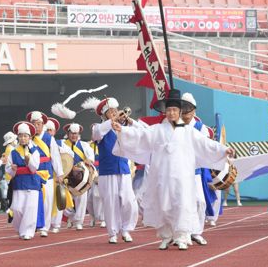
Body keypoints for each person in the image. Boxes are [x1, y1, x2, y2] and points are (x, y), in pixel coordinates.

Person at [112, 89, 235, 250]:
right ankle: (166, 236)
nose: (171, 113)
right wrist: (123, 131)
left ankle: (182, 237)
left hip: (183, 176)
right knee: (164, 204)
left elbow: (205, 144)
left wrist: (222, 150)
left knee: (182, 204)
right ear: (165, 112)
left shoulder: (189, 131)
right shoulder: (156, 130)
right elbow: (140, 137)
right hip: (162, 175)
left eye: (174, 110)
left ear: (179, 112)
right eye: (168, 110)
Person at [91, 97, 140, 244]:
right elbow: (97, 133)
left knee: (129, 201)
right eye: (110, 112)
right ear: (104, 115)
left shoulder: (123, 127)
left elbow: (142, 132)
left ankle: (126, 229)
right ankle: (112, 232)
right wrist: (112, 121)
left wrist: (129, 120)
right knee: (110, 202)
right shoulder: (98, 127)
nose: (114, 114)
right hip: (107, 171)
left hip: (123, 169)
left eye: (115, 111)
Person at [180, 92, 212, 246]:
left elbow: (207, 147)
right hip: (179, 171)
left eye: (188, 109)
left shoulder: (201, 127)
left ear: (194, 111)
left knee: (199, 201)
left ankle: (197, 232)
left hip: (196, 171)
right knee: (181, 202)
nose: (186, 113)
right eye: (183, 109)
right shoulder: (175, 126)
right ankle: (182, 233)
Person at [27, 111, 65, 237]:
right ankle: (32, 225)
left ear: (43, 125)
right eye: (34, 124)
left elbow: (55, 157)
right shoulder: (28, 138)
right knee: (32, 202)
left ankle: (45, 226)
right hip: (31, 174)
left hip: (47, 174)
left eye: (38, 124)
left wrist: (59, 173)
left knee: (47, 201)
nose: (36, 126)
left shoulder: (49, 138)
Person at [6, 121, 41, 240]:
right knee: (17, 208)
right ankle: (20, 228)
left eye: (25, 136)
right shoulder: (13, 152)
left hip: (32, 182)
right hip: (19, 183)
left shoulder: (35, 151)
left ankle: (28, 232)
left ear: (30, 137)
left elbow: (34, 167)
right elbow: (8, 169)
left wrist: (28, 161)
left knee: (30, 208)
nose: (23, 138)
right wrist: (12, 169)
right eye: (20, 136)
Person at [61, 122, 95, 231]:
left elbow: (91, 158)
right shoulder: (62, 144)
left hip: (80, 178)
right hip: (65, 177)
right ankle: (71, 216)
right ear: (68, 133)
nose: (74, 136)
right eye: (72, 133)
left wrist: (88, 160)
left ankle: (79, 221)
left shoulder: (84, 145)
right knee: (63, 199)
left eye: (76, 134)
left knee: (81, 197)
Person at [2, 131, 17, 221]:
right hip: (11, 175)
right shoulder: (11, 149)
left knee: (12, 196)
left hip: (9, 175)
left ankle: (11, 215)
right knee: (13, 197)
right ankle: (11, 215)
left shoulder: (9, 148)